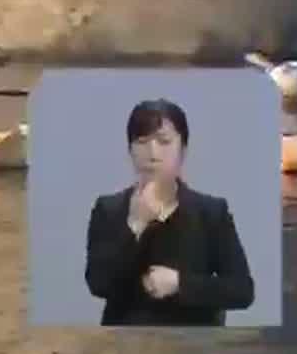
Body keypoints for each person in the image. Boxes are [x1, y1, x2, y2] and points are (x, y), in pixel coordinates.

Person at [83, 98, 255, 326]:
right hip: (126, 343)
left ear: (182, 150)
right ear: (130, 150)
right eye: (142, 141)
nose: (153, 153)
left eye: (164, 142)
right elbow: (98, 284)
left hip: (194, 343)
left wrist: (179, 283)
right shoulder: (108, 209)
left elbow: (242, 290)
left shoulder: (211, 212)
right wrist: (135, 225)